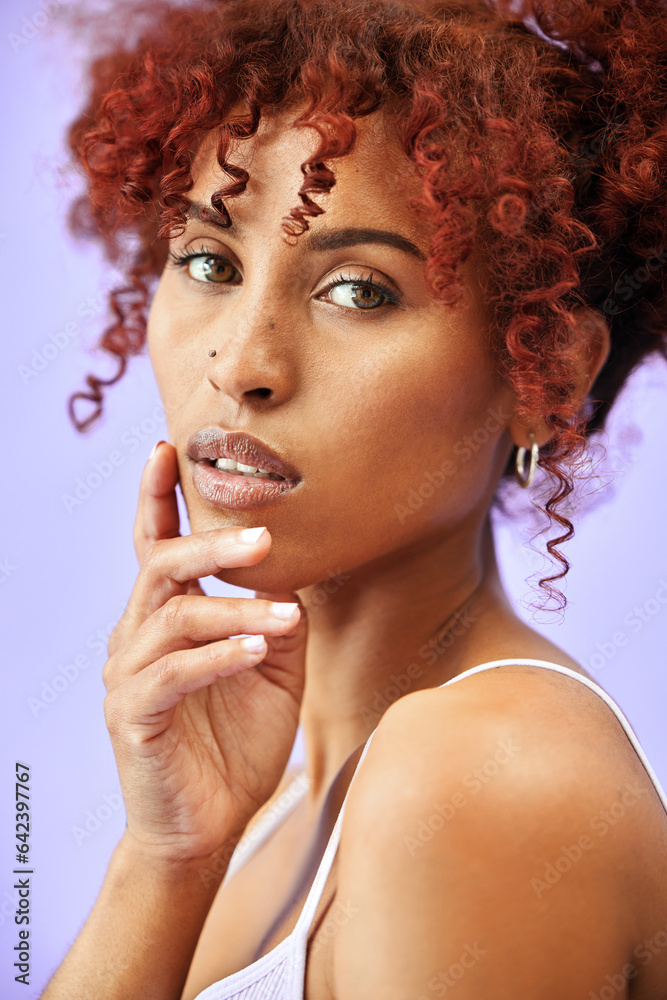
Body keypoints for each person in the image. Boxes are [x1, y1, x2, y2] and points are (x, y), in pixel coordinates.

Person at [43, 0, 667, 997]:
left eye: (358, 289)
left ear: (537, 371)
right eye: (209, 262)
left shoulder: (484, 777)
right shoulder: (275, 806)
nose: (239, 363)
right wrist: (166, 860)